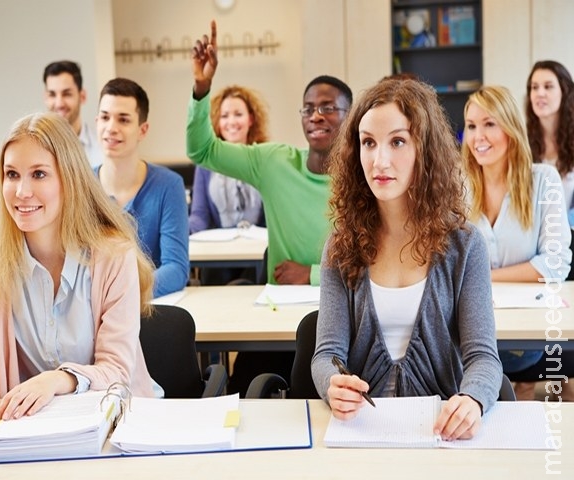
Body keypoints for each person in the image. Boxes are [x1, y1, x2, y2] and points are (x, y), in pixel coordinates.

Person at [0, 112, 159, 427]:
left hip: (116, 424)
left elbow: (116, 371)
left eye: (39, 174)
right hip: (27, 432)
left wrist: (57, 381)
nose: (22, 191)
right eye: (12, 174)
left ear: (69, 180)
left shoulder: (112, 255)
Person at [312, 78, 502, 441]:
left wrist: (473, 399)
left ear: (424, 149)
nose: (379, 160)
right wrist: (331, 384)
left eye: (397, 141)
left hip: (441, 433)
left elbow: (484, 357)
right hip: (363, 433)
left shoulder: (464, 246)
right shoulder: (341, 245)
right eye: (368, 142)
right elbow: (326, 354)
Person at [188, 21, 352, 396]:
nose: (317, 116)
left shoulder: (368, 177)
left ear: (351, 115)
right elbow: (202, 150)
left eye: (329, 107)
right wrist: (201, 88)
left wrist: (311, 274)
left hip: (344, 319)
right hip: (282, 317)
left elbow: (376, 262)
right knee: (245, 385)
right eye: (309, 108)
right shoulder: (276, 163)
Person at [462, 85, 572, 400]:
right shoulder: (457, 187)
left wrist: (482, 276)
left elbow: (555, 264)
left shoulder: (544, 180)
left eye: (489, 124)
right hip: (470, 330)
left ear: (510, 128)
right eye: (471, 126)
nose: (478, 136)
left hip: (528, 332)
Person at [95, 78, 189, 298]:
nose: (111, 128)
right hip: (91, 314)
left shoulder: (169, 186)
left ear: (142, 130)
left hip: (146, 309)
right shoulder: (80, 185)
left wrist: (123, 292)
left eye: (123, 120)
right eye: (105, 117)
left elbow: (176, 268)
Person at [189, 84, 268, 285]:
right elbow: (199, 217)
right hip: (218, 256)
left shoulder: (266, 159)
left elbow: (273, 217)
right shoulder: (205, 165)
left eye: (238, 114)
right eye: (224, 116)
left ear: (251, 119)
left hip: (257, 254)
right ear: (217, 122)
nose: (231, 121)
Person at [526, 60, 574, 281]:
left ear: (565, 91)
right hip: (531, 246)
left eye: (548, 86)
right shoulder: (521, 143)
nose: (539, 93)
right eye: (534, 87)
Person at [43, 60, 104, 167]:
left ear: (82, 96)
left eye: (67, 94)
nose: (59, 104)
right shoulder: (37, 148)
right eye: (52, 94)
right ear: (46, 98)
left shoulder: (103, 150)